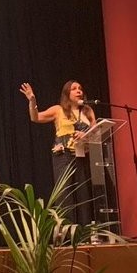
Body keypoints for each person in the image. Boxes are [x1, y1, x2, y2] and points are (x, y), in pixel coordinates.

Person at [19, 80, 96, 225]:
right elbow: (35, 117)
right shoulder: (58, 109)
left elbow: (96, 133)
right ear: (67, 93)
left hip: (82, 155)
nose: (78, 91)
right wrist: (32, 100)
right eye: (74, 89)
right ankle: (67, 233)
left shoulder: (88, 111)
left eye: (80, 88)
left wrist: (86, 136)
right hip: (63, 155)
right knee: (65, 194)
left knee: (83, 193)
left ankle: (84, 232)